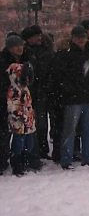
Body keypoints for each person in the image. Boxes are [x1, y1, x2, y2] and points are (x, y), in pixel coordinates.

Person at [51, 26, 89, 169]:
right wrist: (68, 90)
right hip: (72, 99)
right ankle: (66, 158)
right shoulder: (65, 54)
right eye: (78, 37)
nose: (81, 40)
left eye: (83, 37)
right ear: (72, 38)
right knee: (69, 130)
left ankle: (88, 156)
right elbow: (60, 76)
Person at [3, 35, 42, 176]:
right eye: (16, 46)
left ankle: (27, 160)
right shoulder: (8, 65)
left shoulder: (28, 59)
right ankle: (15, 162)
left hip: (26, 107)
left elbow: (31, 80)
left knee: (28, 137)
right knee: (16, 138)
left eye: (21, 45)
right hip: (14, 108)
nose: (20, 48)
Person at [21, 25, 51, 160]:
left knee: (42, 123)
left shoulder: (44, 51)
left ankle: (41, 150)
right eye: (36, 35)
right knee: (29, 124)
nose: (39, 37)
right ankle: (31, 152)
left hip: (41, 92)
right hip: (29, 93)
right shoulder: (25, 53)